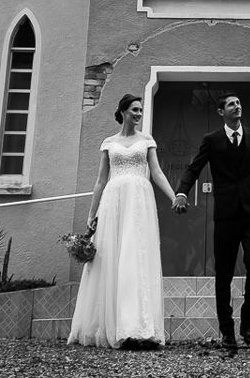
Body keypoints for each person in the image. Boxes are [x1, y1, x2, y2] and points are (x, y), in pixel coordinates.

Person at [66, 92, 179, 349]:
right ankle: (111, 325)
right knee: (112, 258)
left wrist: (174, 197)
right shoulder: (109, 142)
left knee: (136, 257)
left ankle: (137, 327)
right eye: (135, 110)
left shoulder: (147, 140)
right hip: (113, 203)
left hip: (139, 203)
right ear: (123, 111)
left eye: (141, 110)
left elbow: (157, 172)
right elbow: (100, 180)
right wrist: (91, 215)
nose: (139, 114)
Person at [172, 92, 250, 351]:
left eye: (239, 102)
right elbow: (194, 168)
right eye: (231, 104)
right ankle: (227, 330)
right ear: (221, 112)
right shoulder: (212, 140)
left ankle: (248, 323)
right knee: (224, 273)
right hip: (226, 215)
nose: (237, 106)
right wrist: (182, 192)